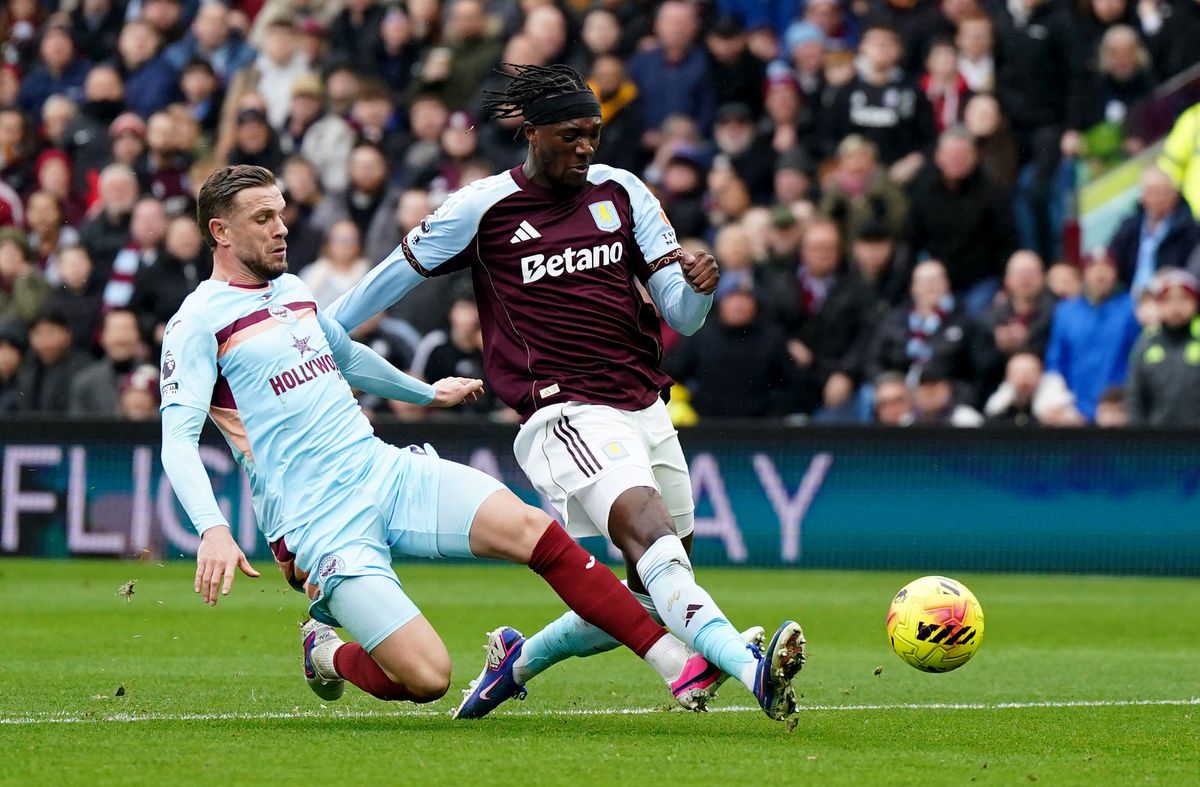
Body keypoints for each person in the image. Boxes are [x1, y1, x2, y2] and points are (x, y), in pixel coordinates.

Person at [162, 164, 743, 718]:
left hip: (383, 470)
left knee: (533, 531)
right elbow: (177, 440)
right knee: (427, 677)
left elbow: (344, 354)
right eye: (263, 218)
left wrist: (424, 394)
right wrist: (213, 528)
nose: (281, 227)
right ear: (220, 231)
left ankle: (675, 663)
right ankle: (326, 653)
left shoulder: (293, 290)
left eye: (281, 214)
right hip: (316, 519)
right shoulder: (197, 322)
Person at [328, 64, 806, 722]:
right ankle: (745, 664)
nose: (586, 148)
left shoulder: (624, 192)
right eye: (571, 135)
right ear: (531, 132)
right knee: (648, 531)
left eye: (594, 135)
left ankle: (513, 663)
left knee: (649, 594)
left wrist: (697, 287)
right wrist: (312, 334)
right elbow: (386, 281)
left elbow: (683, 315)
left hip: (643, 403)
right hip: (563, 411)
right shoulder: (482, 207)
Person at [1045, 251, 1141, 420]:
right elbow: (1056, 361)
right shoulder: (1066, 311)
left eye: (1107, 267)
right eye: (1093, 267)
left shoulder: (1131, 308)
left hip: (1118, 410)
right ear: (1083, 273)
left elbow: (1138, 358)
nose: (1100, 273)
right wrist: (1061, 404)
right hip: (1075, 411)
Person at [1107, 167, 1200, 293]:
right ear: (1142, 196)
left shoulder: (1190, 229)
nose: (1157, 198)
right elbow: (1112, 257)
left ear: (1175, 194)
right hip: (1128, 297)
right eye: (1151, 192)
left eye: (1163, 192)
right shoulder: (1129, 226)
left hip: (1171, 297)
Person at [1125, 269, 1200, 426]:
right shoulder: (1146, 342)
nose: (1176, 306)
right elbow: (1135, 396)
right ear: (1158, 305)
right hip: (1159, 440)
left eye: (1184, 299)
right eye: (1168, 300)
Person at [68, 308, 145, 416]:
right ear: (102, 337)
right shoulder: (85, 382)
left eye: (127, 329)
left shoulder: (156, 377)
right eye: (115, 329)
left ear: (138, 335)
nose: (121, 336)